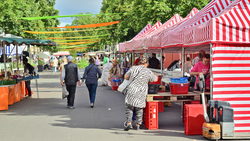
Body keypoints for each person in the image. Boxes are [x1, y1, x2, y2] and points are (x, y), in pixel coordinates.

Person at [123, 55, 158, 131]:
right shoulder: (148, 71)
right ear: (147, 64)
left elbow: (126, 77)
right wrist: (155, 75)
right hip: (141, 91)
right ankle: (138, 124)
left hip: (132, 90)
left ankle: (128, 123)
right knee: (139, 108)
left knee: (129, 107)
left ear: (139, 63)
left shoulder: (133, 68)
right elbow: (155, 80)